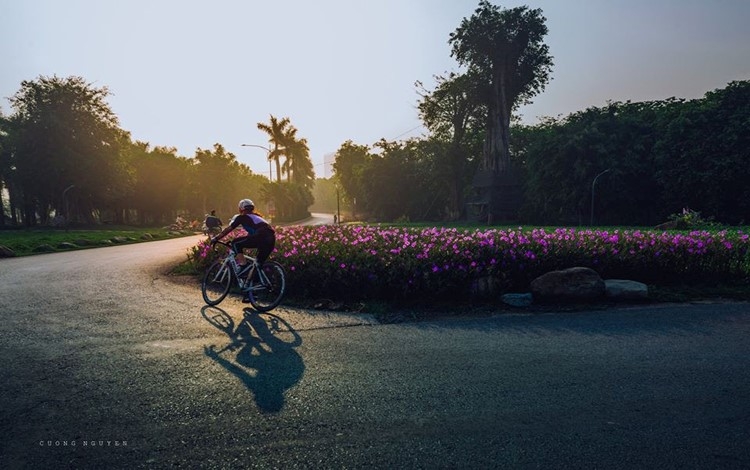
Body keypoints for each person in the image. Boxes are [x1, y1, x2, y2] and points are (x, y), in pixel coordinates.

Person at [211, 199, 276, 303]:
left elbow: (228, 229)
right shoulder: (258, 218)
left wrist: (216, 238)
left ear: (240, 209)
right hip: (271, 239)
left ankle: (243, 265)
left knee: (235, 243)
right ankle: (250, 294)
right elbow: (252, 235)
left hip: (260, 236)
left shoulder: (242, 217)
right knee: (256, 266)